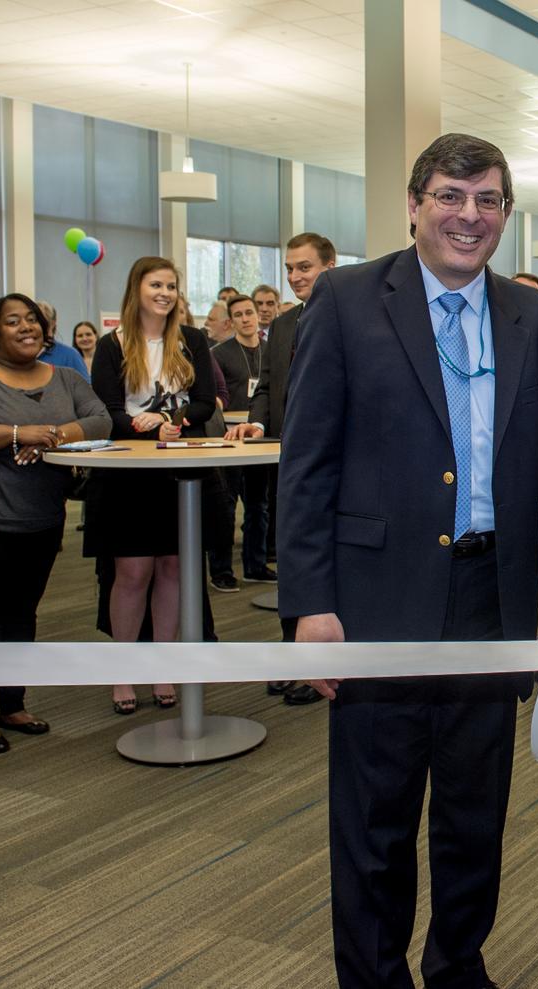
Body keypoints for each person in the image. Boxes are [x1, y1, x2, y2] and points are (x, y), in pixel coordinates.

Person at [278, 132, 538, 989]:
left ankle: (456, 964)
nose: (467, 216)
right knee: (376, 816)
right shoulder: (346, 299)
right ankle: (372, 974)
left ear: (506, 213)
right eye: (449, 195)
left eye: (486, 201)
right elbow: (307, 461)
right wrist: (309, 603)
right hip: (376, 597)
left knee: (475, 813)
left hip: (491, 595)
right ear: (414, 204)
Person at [0, 294, 111, 754]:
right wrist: (15, 433)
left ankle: (12, 704)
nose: (27, 326)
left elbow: (100, 420)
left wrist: (47, 435)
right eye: (13, 321)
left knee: (21, 616)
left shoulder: (65, 377)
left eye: (32, 319)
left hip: (40, 520)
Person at [86, 256, 216, 715]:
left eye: (172, 286)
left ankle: (164, 666)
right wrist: (141, 426)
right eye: (156, 284)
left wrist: (173, 421)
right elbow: (106, 411)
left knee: (173, 570)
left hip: (180, 470)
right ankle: (123, 672)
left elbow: (204, 403)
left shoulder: (193, 340)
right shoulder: (112, 344)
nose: (165, 293)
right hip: (130, 475)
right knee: (133, 573)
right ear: (136, 289)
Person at [228, 231, 336, 704]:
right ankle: (294, 652)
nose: (294, 277)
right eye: (290, 268)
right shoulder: (285, 325)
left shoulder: (355, 315)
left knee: (330, 559)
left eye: (305, 268)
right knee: (293, 555)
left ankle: (326, 662)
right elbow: (266, 386)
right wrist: (255, 422)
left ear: (329, 267)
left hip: (337, 463)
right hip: (285, 459)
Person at [209, 294, 274, 592]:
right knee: (225, 505)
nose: (247, 318)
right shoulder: (220, 354)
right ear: (230, 321)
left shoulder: (269, 350)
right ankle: (221, 569)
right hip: (229, 437)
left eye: (250, 312)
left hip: (259, 436)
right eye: (239, 315)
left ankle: (255, 565)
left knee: (259, 504)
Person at [36, 302, 91, 382]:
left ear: (53, 323)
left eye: (42, 321)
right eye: (33, 320)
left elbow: (85, 390)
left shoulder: (70, 355)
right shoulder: (21, 355)